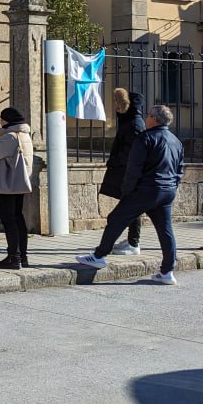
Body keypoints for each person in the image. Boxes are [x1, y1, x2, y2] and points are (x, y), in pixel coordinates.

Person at [76, 104, 183, 285]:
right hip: (167, 191)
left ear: (155, 119)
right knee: (165, 230)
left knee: (116, 219)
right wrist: (172, 185)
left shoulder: (146, 138)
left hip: (146, 190)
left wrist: (127, 192)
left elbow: (134, 169)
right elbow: (180, 169)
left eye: (149, 115)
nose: (146, 118)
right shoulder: (175, 140)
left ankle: (99, 256)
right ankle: (167, 271)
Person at [0, 107, 33, 269]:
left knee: (9, 219)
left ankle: (14, 257)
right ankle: (23, 256)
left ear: (9, 120)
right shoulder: (25, 135)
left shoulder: (10, 138)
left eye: (2, 118)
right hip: (20, 183)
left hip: (7, 184)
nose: (0, 121)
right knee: (18, 218)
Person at [99, 89, 145, 255]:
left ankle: (134, 243)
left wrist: (118, 162)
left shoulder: (135, 124)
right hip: (125, 172)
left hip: (128, 173)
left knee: (131, 208)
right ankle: (132, 240)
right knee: (130, 207)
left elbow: (133, 152)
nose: (117, 106)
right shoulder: (129, 121)